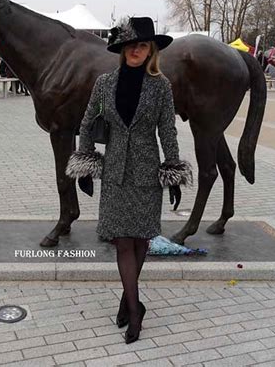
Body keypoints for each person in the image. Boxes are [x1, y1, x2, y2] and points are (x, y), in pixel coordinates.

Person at [66, 17, 192, 344]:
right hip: (115, 172)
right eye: (131, 46)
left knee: (141, 240)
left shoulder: (161, 85)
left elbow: (167, 129)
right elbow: (87, 120)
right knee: (123, 240)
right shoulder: (105, 83)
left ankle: (128, 299)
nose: (136, 51)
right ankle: (135, 310)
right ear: (122, 49)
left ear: (151, 50)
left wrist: (173, 172)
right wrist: (86, 163)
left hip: (148, 172)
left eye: (142, 45)